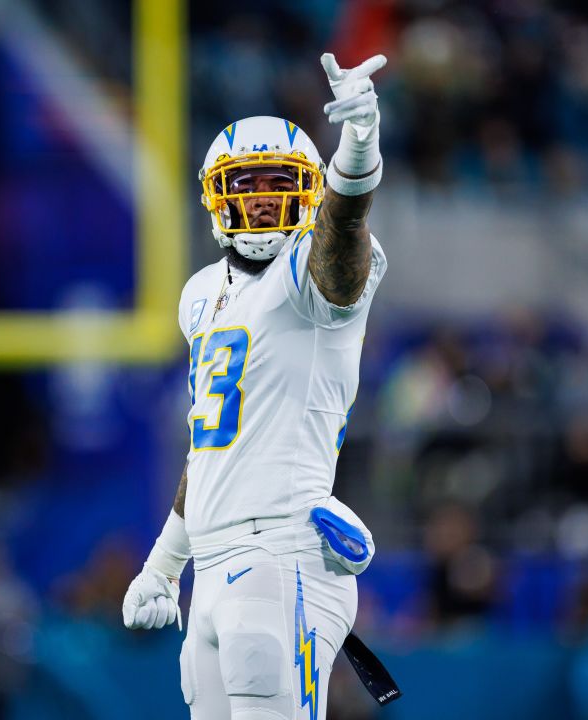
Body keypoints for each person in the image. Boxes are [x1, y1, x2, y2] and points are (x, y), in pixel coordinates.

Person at [122, 53, 390, 720]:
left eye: (281, 181)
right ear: (218, 195)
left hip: (280, 554)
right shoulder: (200, 295)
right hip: (213, 563)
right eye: (247, 182)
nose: (265, 195)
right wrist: (163, 564)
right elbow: (209, 450)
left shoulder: (310, 274)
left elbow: (343, 237)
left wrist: (355, 151)